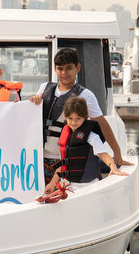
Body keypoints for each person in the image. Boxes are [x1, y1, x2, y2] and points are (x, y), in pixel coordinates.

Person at [29, 46, 128, 184]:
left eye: (69, 68)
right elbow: (29, 114)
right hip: (39, 157)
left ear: (78, 68)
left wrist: (117, 153)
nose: (64, 73)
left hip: (65, 159)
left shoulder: (86, 95)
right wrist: (28, 102)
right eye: (60, 68)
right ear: (55, 68)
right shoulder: (44, 88)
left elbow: (102, 124)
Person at [44, 96, 129, 192]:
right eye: (70, 118)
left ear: (86, 117)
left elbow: (103, 154)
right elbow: (63, 163)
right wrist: (51, 184)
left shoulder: (91, 136)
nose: (74, 122)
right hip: (70, 185)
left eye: (78, 118)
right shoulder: (66, 135)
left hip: (90, 186)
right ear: (65, 117)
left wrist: (113, 168)